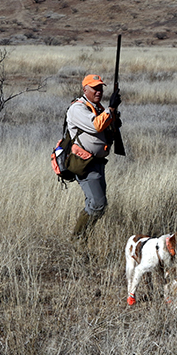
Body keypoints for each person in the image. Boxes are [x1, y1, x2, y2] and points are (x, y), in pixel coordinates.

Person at [66, 73, 121, 238]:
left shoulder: (98, 108)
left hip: (97, 163)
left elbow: (105, 130)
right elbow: (96, 126)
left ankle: (81, 237)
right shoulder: (78, 108)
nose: (99, 92)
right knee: (98, 203)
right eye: (94, 88)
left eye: (100, 88)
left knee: (98, 204)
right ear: (85, 89)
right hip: (84, 163)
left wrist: (114, 123)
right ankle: (77, 239)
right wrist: (111, 109)